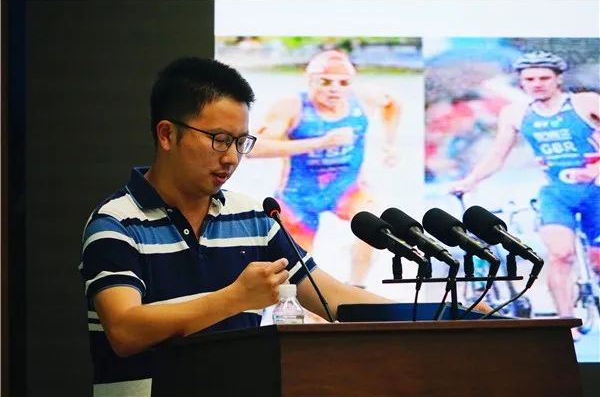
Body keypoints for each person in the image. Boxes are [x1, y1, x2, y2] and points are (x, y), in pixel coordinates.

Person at [79, 57, 393, 396]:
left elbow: (330, 296)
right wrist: (235, 298)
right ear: (167, 134)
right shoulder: (116, 223)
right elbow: (125, 331)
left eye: (241, 142)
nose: (231, 157)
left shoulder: (253, 217)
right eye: (219, 139)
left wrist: (429, 316)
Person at [452, 51, 600, 339]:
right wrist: (470, 180)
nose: (537, 84)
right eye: (530, 79)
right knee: (560, 254)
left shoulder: (585, 102)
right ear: (521, 82)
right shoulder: (515, 113)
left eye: (544, 78)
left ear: (558, 79)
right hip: (557, 194)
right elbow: (497, 154)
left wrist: (595, 169)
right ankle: (566, 322)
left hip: (595, 190)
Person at [249, 49, 402, 289]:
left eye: (343, 83)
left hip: (347, 188)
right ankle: (307, 307)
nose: (334, 89)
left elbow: (393, 104)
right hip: (299, 195)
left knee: (375, 227)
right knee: (299, 271)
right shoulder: (291, 107)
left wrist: (389, 143)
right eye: (325, 82)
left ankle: (356, 287)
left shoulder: (363, 99)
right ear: (310, 80)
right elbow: (253, 149)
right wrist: (320, 143)